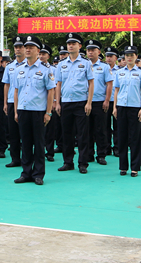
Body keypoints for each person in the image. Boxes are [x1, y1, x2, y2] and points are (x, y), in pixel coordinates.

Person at [13, 35, 56, 186]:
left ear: (38, 50)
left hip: (38, 111)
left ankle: (38, 174)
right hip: (23, 110)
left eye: (31, 47)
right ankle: (26, 173)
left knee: (38, 143)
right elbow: (16, 91)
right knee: (25, 143)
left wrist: (48, 112)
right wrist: (16, 111)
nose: (28, 50)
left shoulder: (46, 69)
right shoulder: (19, 69)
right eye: (26, 47)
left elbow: (51, 91)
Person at [54, 33, 94, 173]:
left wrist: (89, 102)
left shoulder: (86, 63)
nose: (70, 45)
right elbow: (58, 84)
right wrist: (57, 102)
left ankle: (83, 163)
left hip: (81, 102)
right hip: (66, 103)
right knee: (67, 134)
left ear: (79, 46)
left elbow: (91, 83)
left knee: (82, 135)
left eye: (74, 43)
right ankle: (68, 162)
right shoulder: (61, 64)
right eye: (69, 43)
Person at [113, 46, 141, 177]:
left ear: (136, 57)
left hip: (135, 107)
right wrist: (115, 107)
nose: (129, 57)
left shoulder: (140, 73)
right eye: (127, 55)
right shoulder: (119, 72)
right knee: (122, 137)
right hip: (121, 106)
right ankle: (123, 166)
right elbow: (116, 90)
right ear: (124, 57)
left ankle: (135, 167)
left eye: (132, 55)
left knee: (135, 138)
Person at [87, 39, 113, 164]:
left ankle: (101, 154)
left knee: (101, 129)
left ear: (98, 52)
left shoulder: (104, 67)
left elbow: (109, 84)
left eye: (93, 50)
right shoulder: (84, 65)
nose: (90, 53)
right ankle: (89, 154)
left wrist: (107, 100)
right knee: (87, 130)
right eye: (88, 50)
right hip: (86, 102)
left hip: (99, 101)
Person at [2, 36, 27, 168]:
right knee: (13, 132)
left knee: (25, 132)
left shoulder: (30, 65)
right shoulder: (9, 66)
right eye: (16, 47)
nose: (18, 49)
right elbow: (6, 85)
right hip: (12, 102)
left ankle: (27, 157)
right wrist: (5, 103)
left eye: (20, 47)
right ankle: (15, 158)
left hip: (25, 102)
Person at [40, 44, 61, 162]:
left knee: (50, 129)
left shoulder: (53, 69)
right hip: (38, 103)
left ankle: (49, 152)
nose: (41, 56)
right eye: (40, 54)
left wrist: (54, 101)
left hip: (49, 103)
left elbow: (55, 86)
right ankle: (40, 150)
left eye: (44, 54)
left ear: (48, 56)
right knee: (39, 129)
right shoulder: (35, 68)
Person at [105, 47, 120, 156]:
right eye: (107, 56)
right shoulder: (102, 68)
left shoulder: (120, 71)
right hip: (105, 100)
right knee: (104, 126)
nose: (108, 59)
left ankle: (117, 147)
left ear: (116, 58)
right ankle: (106, 147)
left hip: (117, 101)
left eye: (111, 56)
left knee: (117, 126)